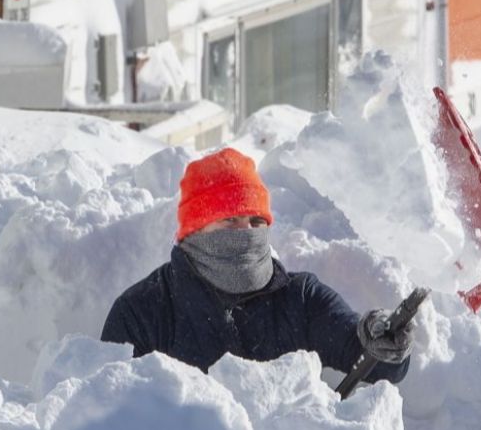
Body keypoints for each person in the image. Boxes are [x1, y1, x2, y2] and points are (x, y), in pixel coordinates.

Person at [100, 148, 413, 384]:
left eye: (256, 220)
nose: (247, 232)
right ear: (194, 229)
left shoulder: (300, 299)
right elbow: (108, 420)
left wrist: (384, 341)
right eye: (231, 220)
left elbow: (372, 361)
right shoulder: (141, 312)